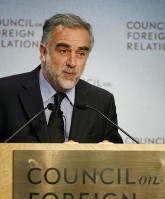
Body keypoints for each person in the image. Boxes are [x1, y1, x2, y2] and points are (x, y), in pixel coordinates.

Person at [0, 13, 123, 143]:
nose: (72, 62)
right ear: (43, 52)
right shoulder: (4, 94)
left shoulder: (101, 102)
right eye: (64, 51)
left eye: (81, 53)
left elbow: (116, 158)